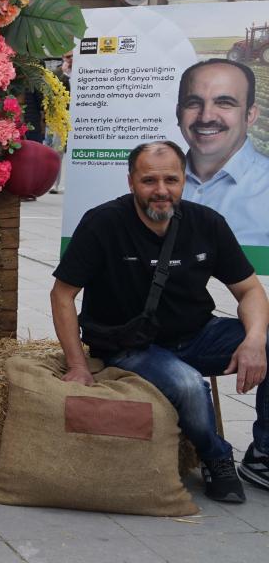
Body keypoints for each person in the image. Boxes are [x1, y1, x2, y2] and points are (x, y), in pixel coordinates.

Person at [51, 140, 269, 503]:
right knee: (187, 385)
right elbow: (62, 295)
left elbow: (249, 291)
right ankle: (216, 455)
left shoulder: (207, 223)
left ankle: (262, 455)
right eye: (149, 181)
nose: (161, 191)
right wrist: (77, 364)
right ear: (130, 181)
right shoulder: (102, 223)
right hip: (129, 345)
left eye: (172, 179)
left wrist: (254, 340)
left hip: (198, 334)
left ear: (185, 181)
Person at [175, 59, 269, 246]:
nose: (206, 116)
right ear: (178, 113)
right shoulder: (147, 186)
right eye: (193, 103)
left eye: (224, 103)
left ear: (250, 115)